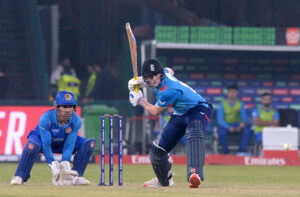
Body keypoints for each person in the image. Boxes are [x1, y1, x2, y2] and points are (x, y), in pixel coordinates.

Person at [128, 59, 213, 188]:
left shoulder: (168, 91)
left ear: (160, 74)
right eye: (149, 77)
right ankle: (164, 180)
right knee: (158, 152)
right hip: (179, 113)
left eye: (155, 75)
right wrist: (140, 81)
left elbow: (155, 111)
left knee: (194, 131)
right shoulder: (165, 73)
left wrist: (140, 100)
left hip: (198, 108)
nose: (153, 79)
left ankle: (194, 174)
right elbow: (169, 69)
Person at [10, 91, 95, 186]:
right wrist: (53, 164)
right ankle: (20, 177)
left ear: (74, 107)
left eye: (70, 107)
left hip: (62, 142)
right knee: (32, 145)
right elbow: (46, 145)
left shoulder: (76, 121)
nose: (67, 110)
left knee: (88, 144)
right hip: (41, 141)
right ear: (57, 107)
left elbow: (69, 145)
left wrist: (65, 164)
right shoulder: (46, 118)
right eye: (64, 106)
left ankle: (76, 177)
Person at [217, 85, 251, 154]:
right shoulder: (222, 104)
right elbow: (219, 120)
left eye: (234, 92)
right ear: (227, 93)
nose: (232, 94)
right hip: (225, 125)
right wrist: (228, 127)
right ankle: (226, 152)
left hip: (237, 124)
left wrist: (241, 125)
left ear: (237, 93)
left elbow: (244, 118)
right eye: (230, 92)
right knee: (221, 133)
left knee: (247, 131)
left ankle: (241, 151)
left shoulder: (241, 104)